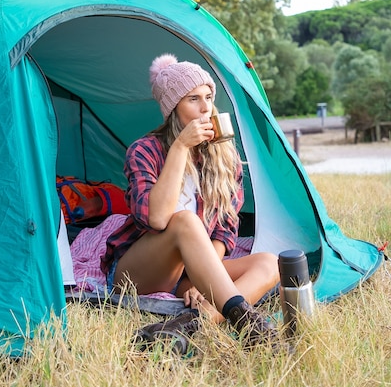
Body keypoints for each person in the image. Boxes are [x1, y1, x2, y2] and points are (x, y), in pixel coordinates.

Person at [101, 53, 280, 350]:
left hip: (187, 274)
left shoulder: (224, 157)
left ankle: (189, 325)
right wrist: (181, 147)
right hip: (140, 272)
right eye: (193, 99)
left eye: (208, 97)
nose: (205, 108)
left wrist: (203, 278)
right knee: (184, 220)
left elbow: (225, 227)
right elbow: (156, 219)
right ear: (174, 109)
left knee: (270, 263)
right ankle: (250, 327)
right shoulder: (144, 151)